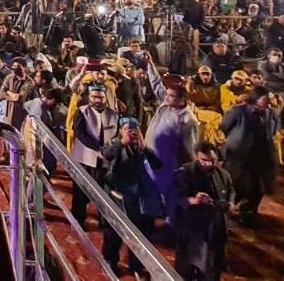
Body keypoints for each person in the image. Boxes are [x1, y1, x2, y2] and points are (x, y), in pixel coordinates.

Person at [101, 119, 163, 277]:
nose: (132, 134)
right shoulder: (114, 142)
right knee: (113, 234)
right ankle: (110, 261)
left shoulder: (142, 145)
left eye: (134, 131)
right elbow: (106, 155)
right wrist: (122, 142)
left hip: (139, 198)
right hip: (118, 196)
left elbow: (157, 165)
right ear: (121, 130)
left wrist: (145, 148)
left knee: (140, 234)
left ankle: (136, 266)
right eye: (128, 130)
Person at [220, 86, 281, 228]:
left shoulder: (272, 114)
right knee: (235, 186)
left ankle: (247, 213)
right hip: (238, 157)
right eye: (265, 99)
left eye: (269, 99)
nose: (269, 102)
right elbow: (225, 126)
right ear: (256, 98)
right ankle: (226, 211)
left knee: (257, 189)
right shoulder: (238, 111)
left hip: (261, 157)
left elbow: (274, 131)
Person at [173, 143, 235, 281]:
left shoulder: (224, 175)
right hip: (192, 229)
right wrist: (194, 201)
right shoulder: (185, 172)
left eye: (211, 161)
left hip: (215, 228)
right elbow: (176, 197)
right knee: (187, 267)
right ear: (196, 157)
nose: (208, 164)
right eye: (204, 160)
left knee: (212, 268)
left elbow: (231, 192)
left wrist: (231, 204)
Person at [146, 85, 200, 223]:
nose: (166, 97)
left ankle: (171, 222)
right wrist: (150, 66)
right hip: (151, 158)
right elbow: (157, 85)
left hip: (168, 164)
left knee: (169, 193)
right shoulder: (165, 107)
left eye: (171, 96)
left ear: (182, 99)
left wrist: (188, 169)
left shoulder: (188, 120)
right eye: (167, 95)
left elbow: (191, 147)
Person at [70, 85, 121, 225]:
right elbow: (80, 134)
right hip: (85, 159)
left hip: (105, 161)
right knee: (81, 191)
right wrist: (98, 149)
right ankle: (78, 219)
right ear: (89, 97)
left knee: (103, 192)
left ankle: (103, 219)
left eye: (101, 97)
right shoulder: (81, 112)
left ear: (105, 98)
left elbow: (117, 135)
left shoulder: (114, 114)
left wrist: (109, 151)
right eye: (94, 97)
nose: (97, 100)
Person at [259, 48, 284, 121]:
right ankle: (274, 118)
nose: (277, 57)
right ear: (269, 55)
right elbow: (266, 76)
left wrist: (274, 75)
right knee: (280, 98)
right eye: (274, 54)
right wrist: (282, 77)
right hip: (269, 88)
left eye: (279, 55)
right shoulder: (263, 64)